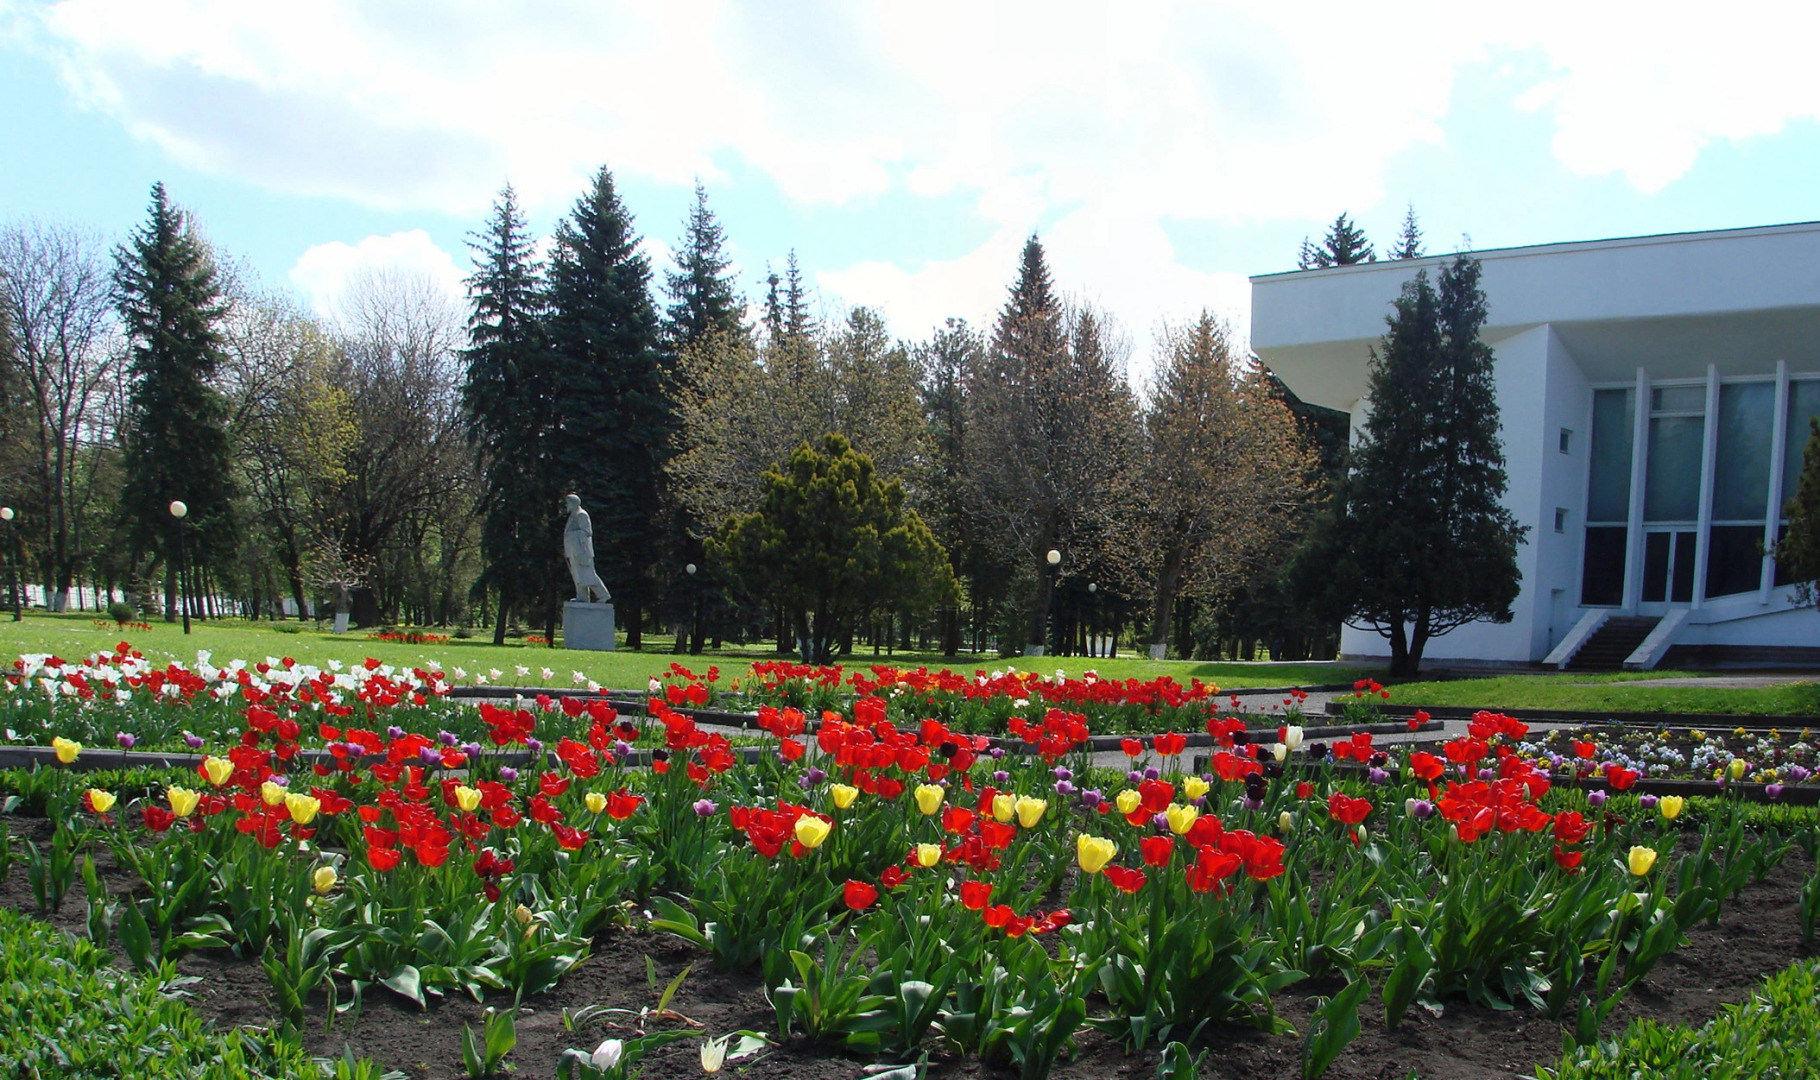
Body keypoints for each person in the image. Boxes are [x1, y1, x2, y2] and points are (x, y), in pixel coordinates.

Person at [563, 494, 611, 603]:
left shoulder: (582, 515)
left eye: (568, 503)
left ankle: (603, 595)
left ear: (574, 503)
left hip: (582, 551)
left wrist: (572, 535)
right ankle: (582, 597)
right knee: (578, 576)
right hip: (574, 551)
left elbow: (587, 532)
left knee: (589, 575)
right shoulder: (573, 515)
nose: (566, 505)